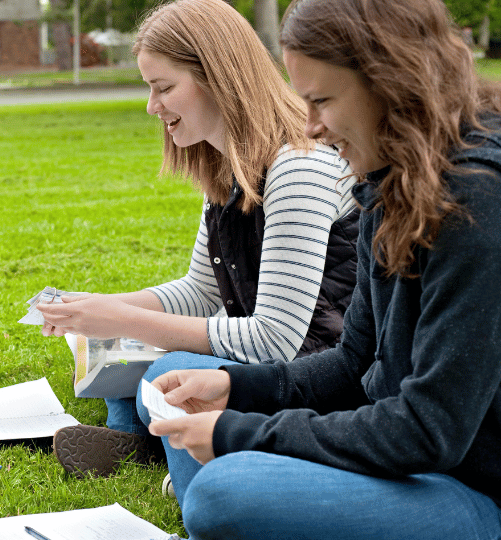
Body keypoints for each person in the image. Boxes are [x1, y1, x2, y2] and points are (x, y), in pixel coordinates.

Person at [143, 0, 501, 538]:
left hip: (472, 485)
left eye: (322, 101)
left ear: (391, 84)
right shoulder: (387, 180)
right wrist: (232, 388)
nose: (310, 127)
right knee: (196, 425)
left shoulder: (477, 201)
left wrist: (240, 433)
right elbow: (353, 362)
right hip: (405, 458)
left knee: (225, 490)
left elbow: (430, 430)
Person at [39, 0, 359, 477]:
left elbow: (276, 340)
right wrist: (97, 310)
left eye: (164, 88)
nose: (152, 107)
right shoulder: (226, 166)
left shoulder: (299, 166)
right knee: (122, 353)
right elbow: (201, 292)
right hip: (271, 362)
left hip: (308, 377)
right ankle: (148, 441)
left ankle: (169, 446)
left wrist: (126, 319)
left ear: (216, 77)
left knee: (160, 371)